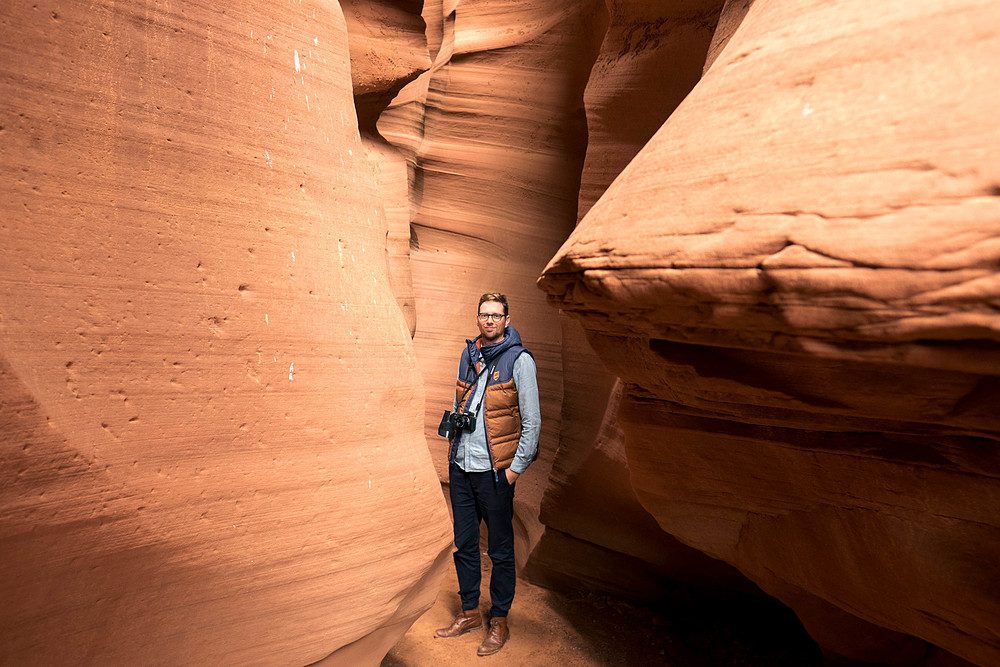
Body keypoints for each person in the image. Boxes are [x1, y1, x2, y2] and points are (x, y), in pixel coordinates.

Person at [434, 292, 540, 656]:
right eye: (484, 315)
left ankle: (499, 620)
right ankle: (468, 613)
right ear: (477, 318)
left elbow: (532, 421)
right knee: (464, 544)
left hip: (494, 473)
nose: (489, 321)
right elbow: (458, 400)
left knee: (500, 549)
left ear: (507, 320)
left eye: (496, 315)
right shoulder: (469, 353)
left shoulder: (519, 360)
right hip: (461, 466)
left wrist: (514, 471)